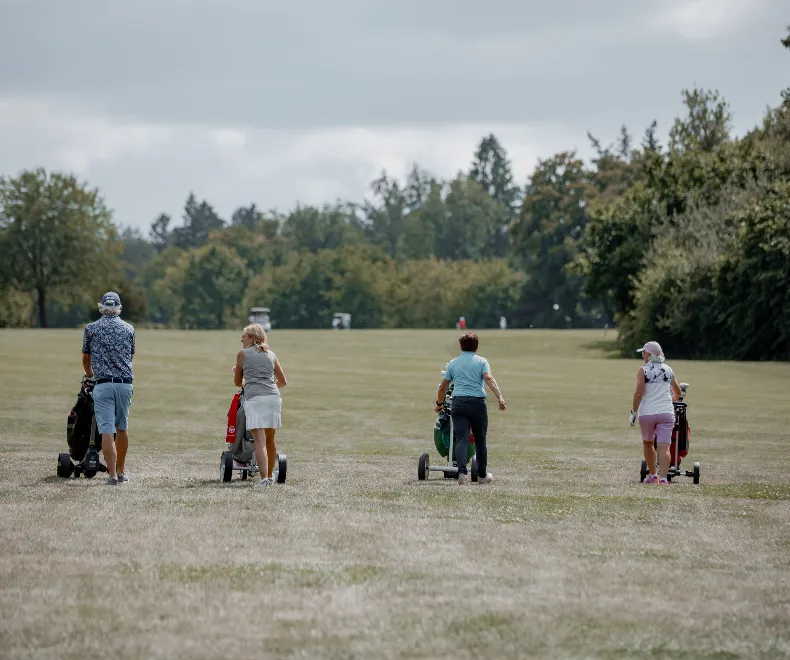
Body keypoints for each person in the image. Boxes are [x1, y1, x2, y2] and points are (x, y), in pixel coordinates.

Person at [434, 332, 506, 485]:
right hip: (477, 404)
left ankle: (461, 474)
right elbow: (489, 379)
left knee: (461, 439)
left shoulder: (453, 363)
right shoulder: (482, 362)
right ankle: (481, 475)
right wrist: (500, 397)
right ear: (477, 347)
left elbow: (442, 388)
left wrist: (439, 404)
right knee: (480, 440)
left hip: (458, 404)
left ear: (461, 346)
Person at [81, 291, 135, 485]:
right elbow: (129, 356)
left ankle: (111, 476)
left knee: (106, 430)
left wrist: (90, 375)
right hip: (125, 384)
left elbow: (86, 358)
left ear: (102, 307)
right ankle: (121, 472)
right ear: (118, 307)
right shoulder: (129, 328)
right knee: (122, 427)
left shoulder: (91, 328)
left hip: (103, 384)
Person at [234, 324, 287, 488]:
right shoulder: (271, 354)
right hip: (273, 398)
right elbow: (283, 382)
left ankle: (264, 479)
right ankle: (270, 476)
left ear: (251, 338)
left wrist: (240, 375)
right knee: (271, 439)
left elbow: (238, 383)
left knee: (259, 440)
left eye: (244, 336)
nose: (241, 339)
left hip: (255, 399)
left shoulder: (242, 354)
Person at [630, 340, 682, 485]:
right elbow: (677, 392)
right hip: (666, 412)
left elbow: (638, 394)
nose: (642, 355)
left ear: (649, 354)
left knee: (648, 443)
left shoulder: (643, 370)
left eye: (644, 352)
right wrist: (667, 401)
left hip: (647, 413)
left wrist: (633, 412)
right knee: (664, 446)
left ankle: (653, 476)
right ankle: (664, 478)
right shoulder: (668, 369)